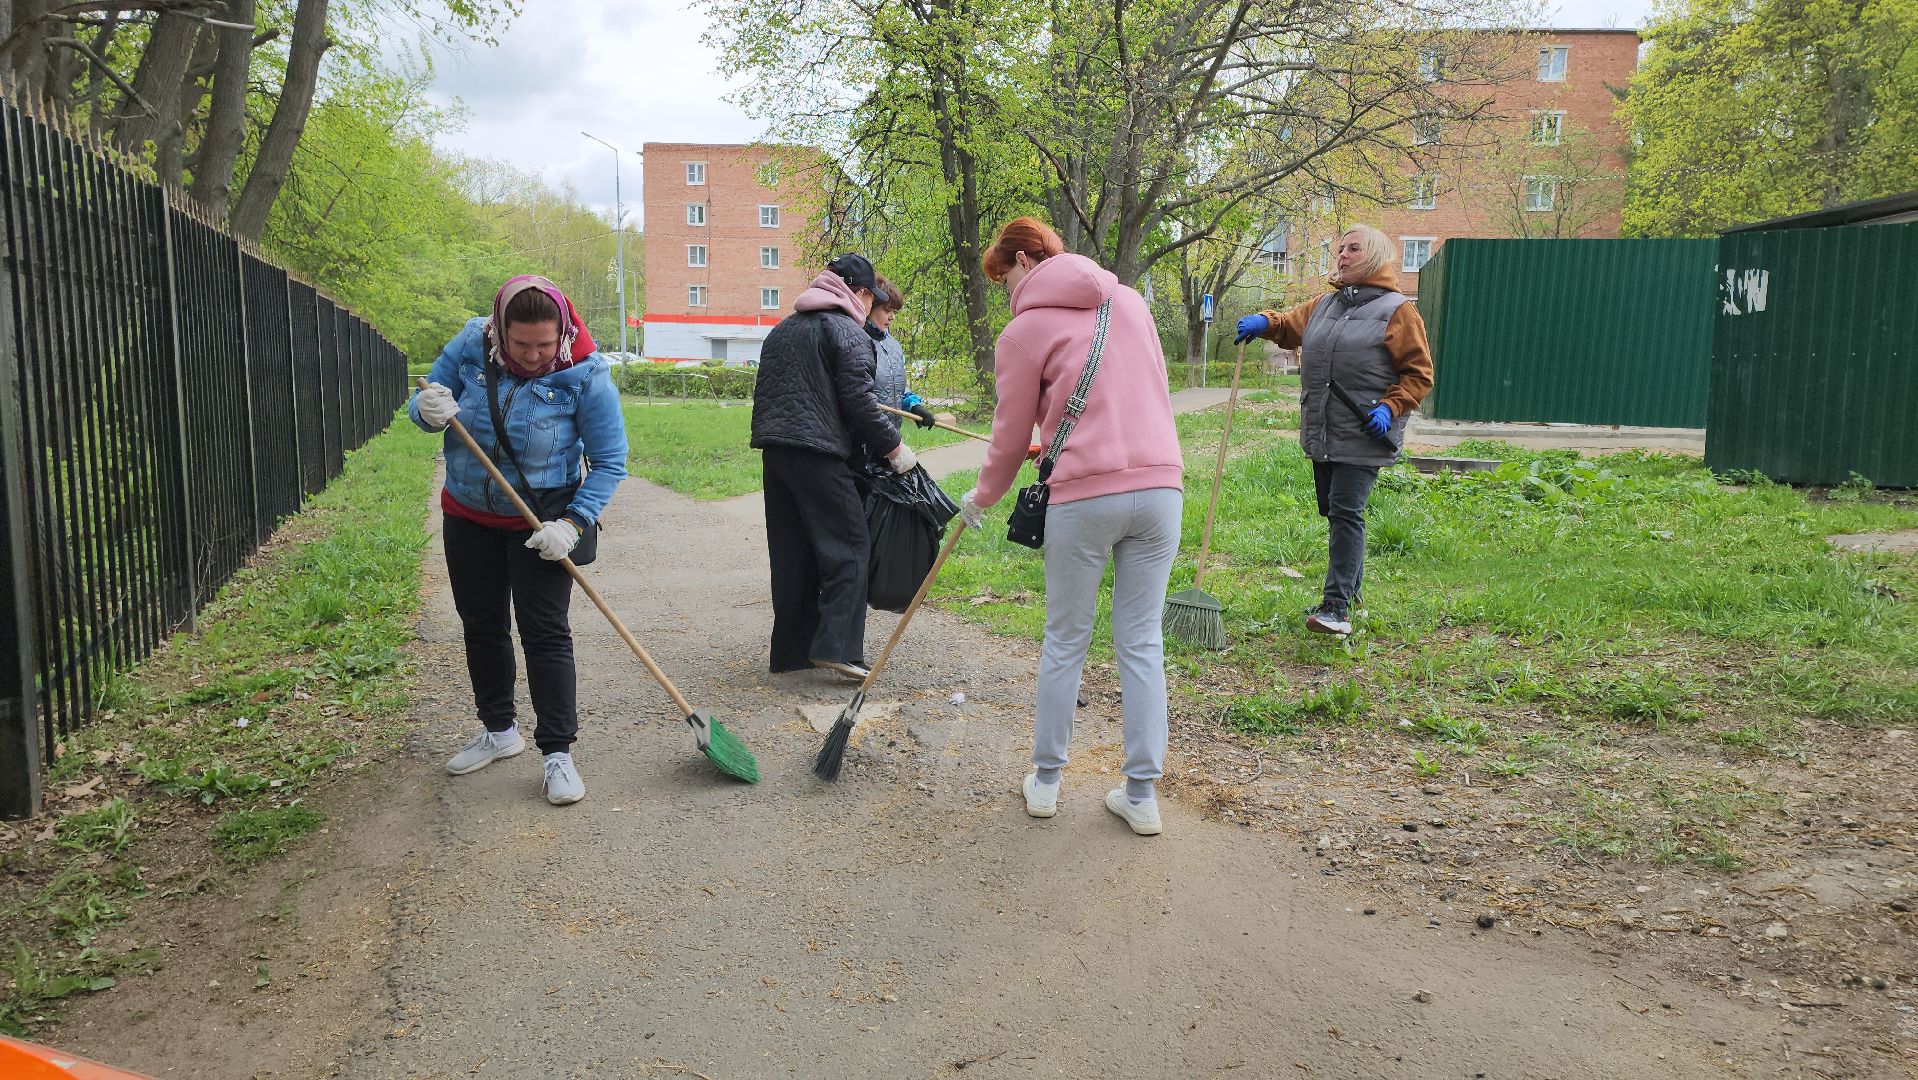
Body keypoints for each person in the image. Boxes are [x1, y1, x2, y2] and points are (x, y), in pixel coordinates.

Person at [958, 217, 1184, 837]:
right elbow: (1151, 392)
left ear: (1026, 259)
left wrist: (981, 498)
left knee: (1065, 641)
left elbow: (1007, 438)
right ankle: (1142, 797)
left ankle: (1047, 784)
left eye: (1004, 277)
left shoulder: (1022, 332)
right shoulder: (1130, 301)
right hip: (1162, 488)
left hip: (1085, 499)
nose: (1005, 291)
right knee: (1141, 643)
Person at [407, 276, 629, 805]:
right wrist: (426, 411)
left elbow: (611, 462)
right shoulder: (469, 344)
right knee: (482, 625)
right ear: (499, 330)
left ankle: (557, 753)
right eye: (520, 344)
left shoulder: (586, 372)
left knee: (545, 632)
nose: (532, 356)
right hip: (468, 513)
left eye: (544, 345)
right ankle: (499, 731)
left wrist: (572, 525)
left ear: (563, 332)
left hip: (543, 520)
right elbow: (425, 406)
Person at [1234, 224, 1434, 637]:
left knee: (1346, 512)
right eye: (1341, 249)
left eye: (1353, 249)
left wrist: (1391, 406)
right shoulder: (1326, 305)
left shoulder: (1399, 310)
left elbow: (1418, 373)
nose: (1342, 256)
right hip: (1323, 426)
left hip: (1365, 427)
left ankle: (1336, 607)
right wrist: (1265, 322)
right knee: (1334, 511)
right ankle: (1351, 594)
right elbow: (1290, 325)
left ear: (1375, 257)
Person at [750, 253, 918, 681]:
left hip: (776, 453)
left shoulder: (783, 330)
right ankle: (838, 648)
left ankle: (791, 652)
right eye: (870, 298)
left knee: (793, 552)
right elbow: (859, 402)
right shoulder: (848, 330)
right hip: (819, 452)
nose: (869, 306)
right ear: (858, 294)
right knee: (850, 545)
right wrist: (895, 449)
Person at [866, 273, 937, 435]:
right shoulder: (857, 343)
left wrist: (915, 406)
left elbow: (897, 388)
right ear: (870, 306)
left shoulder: (894, 346)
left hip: (892, 435)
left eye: (894, 311)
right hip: (866, 439)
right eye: (887, 310)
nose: (892, 317)